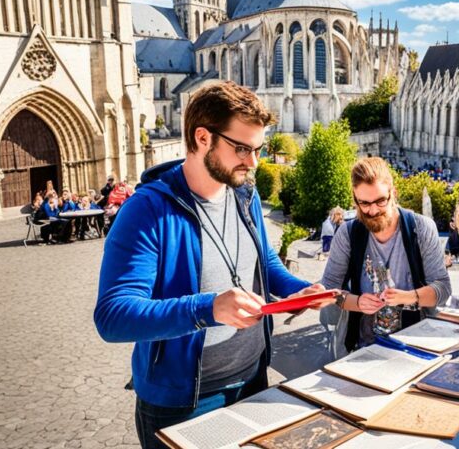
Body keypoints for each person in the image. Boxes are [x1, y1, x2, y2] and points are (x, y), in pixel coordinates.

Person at [94, 81, 333, 449]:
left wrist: (295, 290)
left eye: (258, 149)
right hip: (183, 401)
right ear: (202, 137)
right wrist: (208, 308)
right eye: (242, 148)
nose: (253, 162)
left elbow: (262, 261)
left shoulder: (244, 194)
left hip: (253, 378)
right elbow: (113, 317)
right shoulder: (146, 210)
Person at [320, 157, 451, 351]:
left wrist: (408, 297)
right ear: (355, 199)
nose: (372, 210)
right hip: (361, 347)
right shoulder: (348, 233)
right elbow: (329, 291)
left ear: (393, 193)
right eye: (363, 203)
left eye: (380, 201)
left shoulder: (421, 228)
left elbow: (443, 289)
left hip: (415, 344)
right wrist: (358, 303)